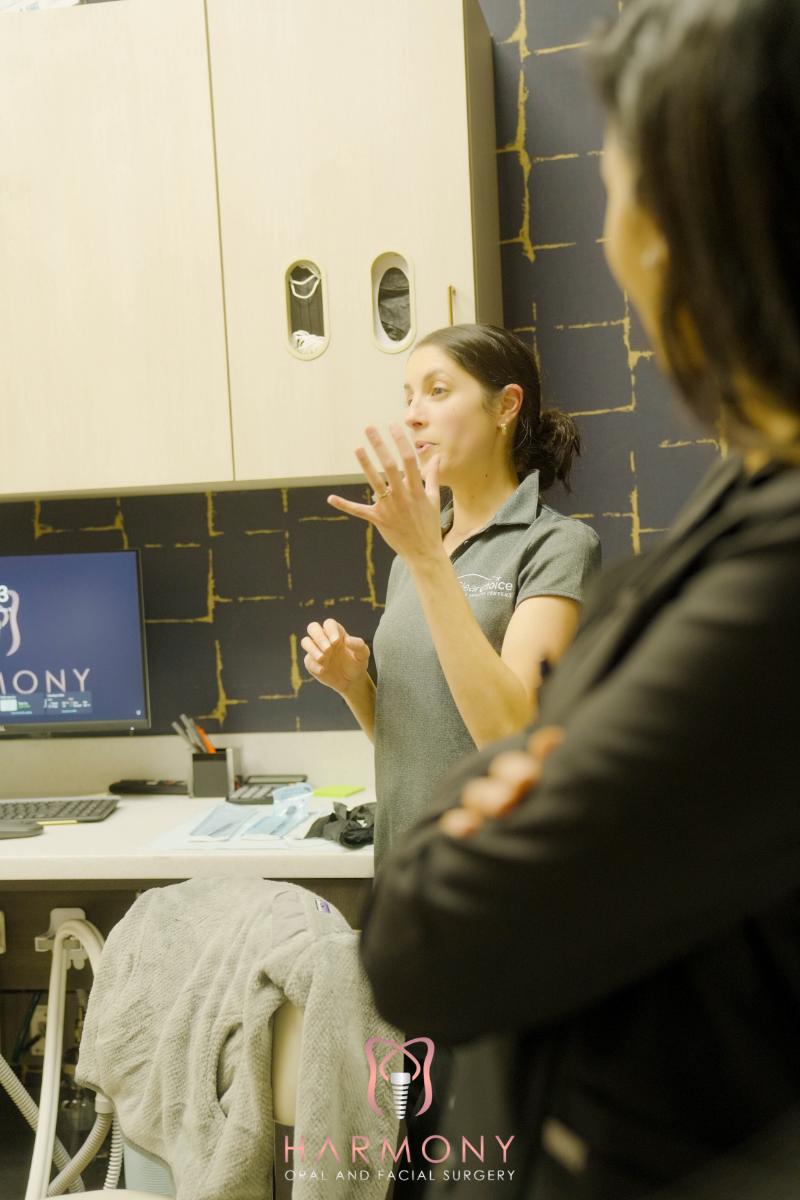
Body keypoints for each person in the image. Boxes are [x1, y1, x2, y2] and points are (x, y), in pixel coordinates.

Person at [360, 0, 800, 1197]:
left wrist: (527, 765)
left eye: (624, 186)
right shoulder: (744, 495)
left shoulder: (653, 557)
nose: (615, 235)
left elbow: (430, 924)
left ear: (702, 227)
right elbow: (482, 743)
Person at [302, 324, 601, 862]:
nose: (414, 413)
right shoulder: (419, 548)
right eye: (409, 397)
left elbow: (510, 738)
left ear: (506, 406)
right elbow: (420, 740)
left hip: (494, 883)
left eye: (437, 391)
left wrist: (425, 559)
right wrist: (355, 687)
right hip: (405, 871)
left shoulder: (557, 546)